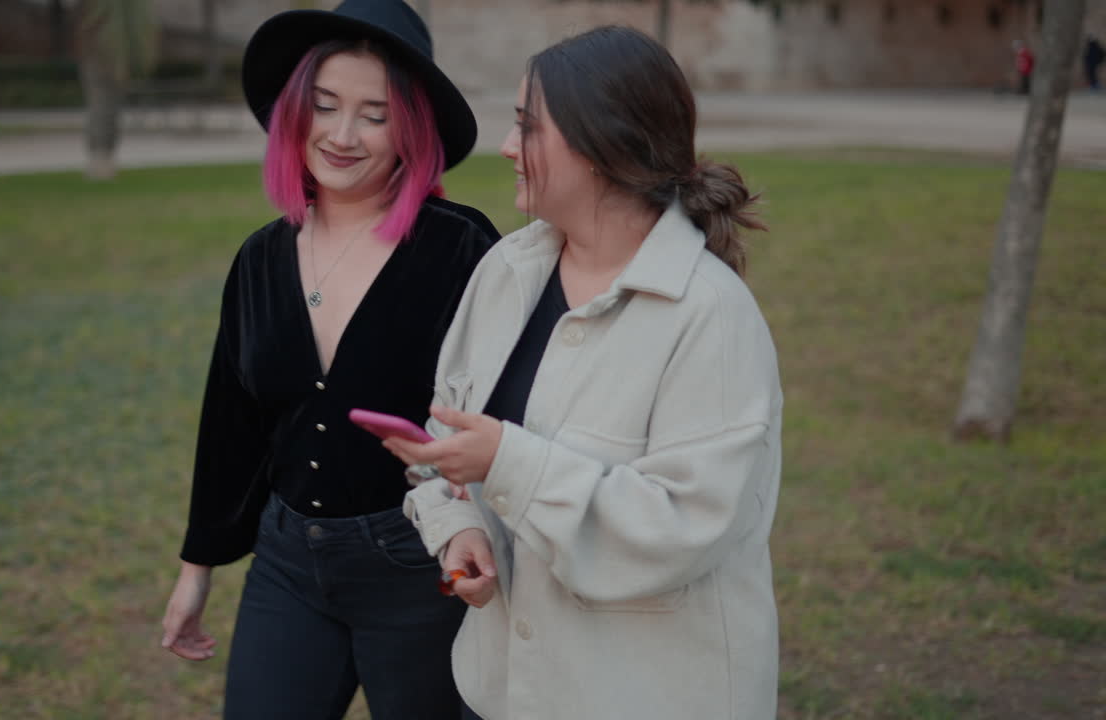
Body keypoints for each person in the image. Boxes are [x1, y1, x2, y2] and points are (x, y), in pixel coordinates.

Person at [383, 25, 782, 720]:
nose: (507, 147)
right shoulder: (506, 272)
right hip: (504, 692)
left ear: (605, 147)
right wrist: (460, 532)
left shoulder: (711, 316)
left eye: (528, 129)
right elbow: (446, 438)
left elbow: (682, 527)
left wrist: (506, 464)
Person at [158, 1, 498, 718]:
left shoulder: (461, 249)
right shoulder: (259, 257)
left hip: (421, 562)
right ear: (295, 114)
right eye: (325, 106)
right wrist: (197, 572)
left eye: (374, 114)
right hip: (287, 564)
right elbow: (232, 423)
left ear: (411, 129)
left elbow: (503, 413)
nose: (343, 135)